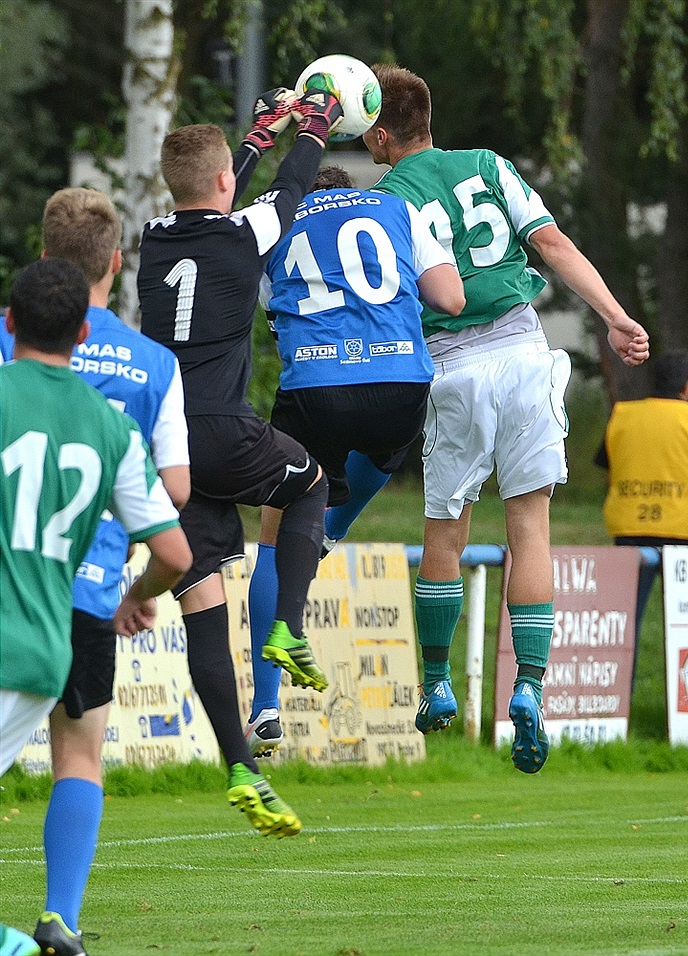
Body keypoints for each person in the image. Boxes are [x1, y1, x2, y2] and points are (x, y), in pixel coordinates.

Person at [359, 63, 650, 773]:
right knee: (531, 527)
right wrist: (614, 317)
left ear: (379, 131)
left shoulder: (386, 197)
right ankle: (529, 687)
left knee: (446, 532)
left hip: (452, 363)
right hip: (525, 350)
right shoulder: (489, 165)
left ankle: (436, 684)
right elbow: (552, 245)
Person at [137, 90, 342, 820]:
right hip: (224, 429)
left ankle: (240, 768)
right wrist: (314, 121)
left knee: (203, 610)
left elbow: (227, 192)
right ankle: (288, 623)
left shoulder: (152, 238)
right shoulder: (242, 233)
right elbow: (290, 186)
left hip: (167, 446)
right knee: (311, 483)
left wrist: (258, 133)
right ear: (225, 184)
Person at [0, 187, 191, 956]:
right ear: (115, 266)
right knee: (79, 753)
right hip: (78, 595)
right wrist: (135, 593)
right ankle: (61, 918)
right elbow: (176, 503)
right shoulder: (141, 379)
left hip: (14, 606)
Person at [244, 164, 465, 755]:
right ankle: (329, 531)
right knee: (389, 445)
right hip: (399, 381)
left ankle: (265, 705)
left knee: (272, 535)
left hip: (315, 386)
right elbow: (451, 296)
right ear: (351, 191)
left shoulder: (276, 223)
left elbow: (255, 304)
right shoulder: (394, 209)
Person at [595, 349, 688, 666]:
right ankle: (686, 708)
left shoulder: (623, 415)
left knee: (624, 624)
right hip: (684, 536)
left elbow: (608, 466)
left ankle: (615, 698)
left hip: (628, 530)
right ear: (687, 387)